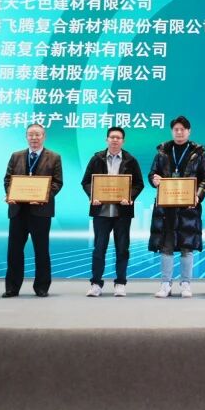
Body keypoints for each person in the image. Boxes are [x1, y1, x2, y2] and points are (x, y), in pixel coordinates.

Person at [148, 115, 205, 298]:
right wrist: (154, 179)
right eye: (176, 129)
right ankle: (165, 284)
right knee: (166, 246)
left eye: (183, 129)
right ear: (172, 131)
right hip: (166, 206)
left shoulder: (198, 153)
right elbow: (152, 174)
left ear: (189, 132)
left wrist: (198, 196)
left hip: (188, 206)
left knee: (186, 246)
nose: (179, 132)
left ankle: (185, 284)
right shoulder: (162, 151)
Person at [81, 126, 144, 297]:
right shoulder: (97, 159)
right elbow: (86, 181)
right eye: (112, 137)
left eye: (118, 138)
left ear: (123, 141)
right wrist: (92, 195)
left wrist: (130, 196)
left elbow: (139, 183)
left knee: (122, 249)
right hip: (101, 212)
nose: (115, 140)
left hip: (122, 212)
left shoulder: (131, 160)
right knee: (99, 249)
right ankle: (96, 283)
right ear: (106, 139)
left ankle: (120, 283)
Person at [3, 123, 63, 298]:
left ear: (44, 136)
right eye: (31, 134)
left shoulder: (54, 157)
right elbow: (8, 180)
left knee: (41, 250)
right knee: (14, 251)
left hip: (41, 211)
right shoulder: (16, 156)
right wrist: (11, 194)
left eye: (37, 134)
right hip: (18, 210)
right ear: (26, 137)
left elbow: (57, 182)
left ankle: (42, 287)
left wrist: (43, 196)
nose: (34, 138)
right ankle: (12, 287)